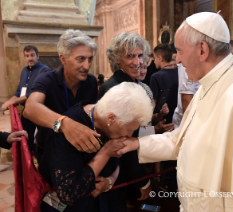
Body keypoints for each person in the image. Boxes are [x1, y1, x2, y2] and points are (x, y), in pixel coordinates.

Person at [117, 12, 233, 211]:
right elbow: (181, 140)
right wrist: (135, 144)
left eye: (180, 51)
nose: (178, 60)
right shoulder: (211, 83)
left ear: (202, 50)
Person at [40, 82, 153, 211]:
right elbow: (68, 194)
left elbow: (119, 162)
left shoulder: (110, 121)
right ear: (111, 118)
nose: (129, 135)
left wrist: (110, 180)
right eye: (128, 129)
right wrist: (105, 153)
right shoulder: (68, 132)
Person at [97, 32, 152, 211]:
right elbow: (121, 143)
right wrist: (142, 181)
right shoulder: (118, 88)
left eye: (140, 55)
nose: (137, 62)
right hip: (115, 168)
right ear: (117, 59)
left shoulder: (129, 83)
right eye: (130, 56)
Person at [24, 29, 100, 157]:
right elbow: (30, 108)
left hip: (80, 152)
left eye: (90, 59)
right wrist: (63, 124)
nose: (87, 66)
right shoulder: (46, 79)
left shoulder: (91, 81)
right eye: (81, 59)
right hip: (50, 153)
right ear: (63, 59)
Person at [1, 45, 50, 152]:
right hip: (27, 110)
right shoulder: (24, 70)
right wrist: (9, 101)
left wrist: (12, 101)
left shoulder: (45, 71)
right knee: (27, 137)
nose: (30, 58)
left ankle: (37, 162)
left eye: (32, 55)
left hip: (40, 111)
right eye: (27, 56)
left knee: (40, 140)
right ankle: (30, 161)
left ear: (38, 56)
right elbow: (19, 90)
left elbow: (33, 93)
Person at [172, 63, 200, 129]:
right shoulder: (187, 62)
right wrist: (190, 129)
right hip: (188, 123)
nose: (177, 59)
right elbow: (186, 100)